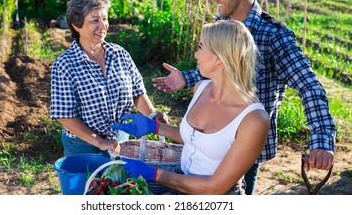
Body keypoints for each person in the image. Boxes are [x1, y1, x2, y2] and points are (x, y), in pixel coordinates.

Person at [152, 0, 336, 195]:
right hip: (209, 141)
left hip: (245, 143)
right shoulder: (222, 23)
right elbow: (219, 69)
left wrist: (321, 140)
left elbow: (309, 86)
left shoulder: (274, 35)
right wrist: (186, 78)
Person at [112, 20, 270, 195]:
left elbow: (215, 186)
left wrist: (155, 174)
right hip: (180, 183)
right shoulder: (201, 89)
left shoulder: (254, 120)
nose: (196, 55)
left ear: (218, 57)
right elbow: (195, 138)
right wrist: (155, 127)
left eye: (201, 47)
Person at [50, 0, 165, 157]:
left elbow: (137, 93)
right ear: (76, 25)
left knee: (119, 183)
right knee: (89, 183)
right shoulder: (65, 64)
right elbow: (65, 116)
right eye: (95, 20)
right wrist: (100, 142)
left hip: (120, 140)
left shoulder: (119, 54)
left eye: (104, 19)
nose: (103, 26)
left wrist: (152, 115)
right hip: (83, 146)